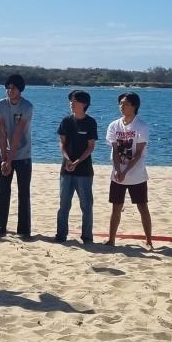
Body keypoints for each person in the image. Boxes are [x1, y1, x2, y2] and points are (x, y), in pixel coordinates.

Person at [106, 92, 152, 249]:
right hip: (117, 173)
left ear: (134, 106)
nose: (122, 106)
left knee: (142, 207)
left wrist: (126, 171)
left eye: (125, 103)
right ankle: (111, 239)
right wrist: (118, 170)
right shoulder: (114, 125)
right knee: (116, 207)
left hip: (136, 174)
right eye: (120, 103)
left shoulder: (141, 126)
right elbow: (114, 150)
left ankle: (149, 240)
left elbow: (139, 153)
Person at [0, 74, 34, 238]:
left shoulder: (27, 106)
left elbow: (17, 134)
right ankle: (0, 228)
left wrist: (10, 160)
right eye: (8, 87)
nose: (10, 91)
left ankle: (24, 230)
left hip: (23, 154)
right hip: (3, 153)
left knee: (23, 192)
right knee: (2, 191)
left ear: (20, 90)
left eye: (13, 88)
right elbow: (2, 133)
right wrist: (4, 159)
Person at [55, 90, 98, 244]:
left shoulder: (90, 122)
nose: (71, 104)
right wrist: (67, 160)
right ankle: (61, 235)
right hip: (66, 170)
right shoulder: (66, 121)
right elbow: (62, 143)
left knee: (86, 205)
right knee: (64, 204)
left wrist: (77, 162)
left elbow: (91, 147)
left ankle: (87, 236)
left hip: (84, 171)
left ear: (84, 104)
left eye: (75, 101)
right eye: (70, 101)